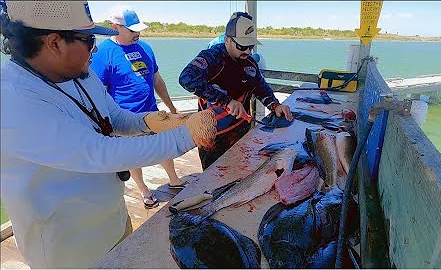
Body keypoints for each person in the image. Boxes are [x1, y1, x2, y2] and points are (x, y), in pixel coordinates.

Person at [0, 1, 215, 268]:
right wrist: (186, 136)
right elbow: (99, 152)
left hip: (113, 219)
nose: (95, 49)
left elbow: (115, 118)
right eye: (88, 40)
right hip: (68, 249)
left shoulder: (80, 74)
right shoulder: (12, 98)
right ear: (54, 42)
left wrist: (157, 121)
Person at [91, 5, 185, 210]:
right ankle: (144, 190)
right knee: (133, 156)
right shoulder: (103, 54)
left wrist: (171, 107)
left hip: (152, 111)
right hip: (125, 119)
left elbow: (157, 79)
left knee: (164, 145)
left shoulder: (145, 48)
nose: (138, 33)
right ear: (115, 27)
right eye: (132, 30)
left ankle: (174, 179)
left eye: (138, 29)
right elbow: (98, 91)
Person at [179, 12, 293, 170]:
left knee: (242, 173)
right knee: (213, 180)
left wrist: (275, 105)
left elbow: (260, 87)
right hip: (212, 135)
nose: (247, 51)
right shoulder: (213, 57)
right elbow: (186, 78)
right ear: (227, 40)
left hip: (241, 131)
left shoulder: (249, 63)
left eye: (250, 46)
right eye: (241, 46)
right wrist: (226, 101)